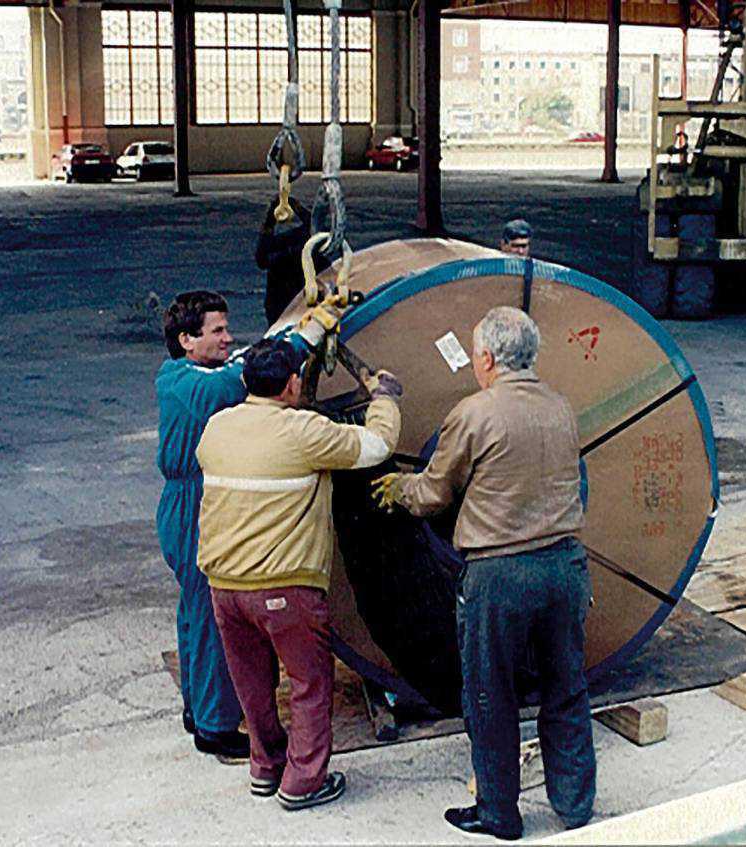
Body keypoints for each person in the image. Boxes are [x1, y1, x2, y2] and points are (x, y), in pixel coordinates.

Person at [371, 306, 594, 841]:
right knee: (566, 688)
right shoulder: (561, 406)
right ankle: (575, 805)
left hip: (500, 576)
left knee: (491, 694)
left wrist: (397, 488)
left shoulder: (474, 412)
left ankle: (499, 813)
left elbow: (433, 494)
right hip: (565, 566)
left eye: (475, 355)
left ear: (488, 358)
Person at [197, 338, 402, 811]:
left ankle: (265, 768)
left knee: (252, 684)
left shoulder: (216, 428)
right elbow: (377, 446)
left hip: (224, 588)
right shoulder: (305, 432)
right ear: (292, 384)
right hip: (284, 587)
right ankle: (304, 782)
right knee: (310, 683)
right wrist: (385, 398)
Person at [155, 290, 337, 763]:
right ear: (186, 340)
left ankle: (197, 709)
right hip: (194, 500)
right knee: (214, 620)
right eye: (216, 330)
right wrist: (309, 337)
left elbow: (242, 358)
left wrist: (294, 330)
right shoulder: (191, 384)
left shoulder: (183, 373)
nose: (227, 337)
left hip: (185, 500)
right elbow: (239, 379)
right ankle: (215, 726)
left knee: (194, 611)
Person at [255, 197, 332, 327]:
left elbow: (261, 260)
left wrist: (271, 219)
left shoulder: (284, 249)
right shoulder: (305, 244)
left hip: (290, 303)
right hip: (287, 303)